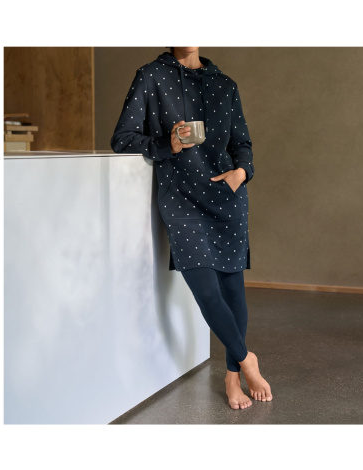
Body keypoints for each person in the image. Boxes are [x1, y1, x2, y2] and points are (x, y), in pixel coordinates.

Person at [111, 47, 272, 410]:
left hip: (226, 198)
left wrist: (241, 173)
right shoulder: (150, 76)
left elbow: (242, 143)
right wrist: (166, 144)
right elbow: (122, 138)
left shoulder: (225, 85)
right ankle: (247, 359)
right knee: (207, 293)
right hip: (181, 200)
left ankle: (232, 377)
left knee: (233, 291)